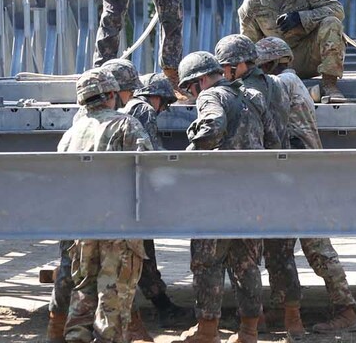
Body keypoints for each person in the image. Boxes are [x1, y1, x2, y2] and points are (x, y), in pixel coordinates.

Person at [255, 36, 356, 333]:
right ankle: (281, 307)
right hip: (298, 173)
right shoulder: (292, 81)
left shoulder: (280, 84)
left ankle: (346, 310)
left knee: (315, 245)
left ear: (270, 62)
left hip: (299, 175)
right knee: (279, 244)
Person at [170, 51, 269, 343]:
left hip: (217, 193)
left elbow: (212, 128)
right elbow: (273, 138)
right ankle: (249, 332)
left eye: (189, 89)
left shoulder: (210, 96)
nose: (191, 95)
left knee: (206, 261)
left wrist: (190, 149)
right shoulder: (252, 96)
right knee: (247, 263)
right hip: (253, 193)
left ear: (200, 80)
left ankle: (207, 332)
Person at [214, 34, 300, 338]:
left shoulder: (240, 92)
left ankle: (255, 320)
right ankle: (293, 319)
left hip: (253, 179)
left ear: (238, 65)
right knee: (281, 252)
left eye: (226, 67)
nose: (224, 73)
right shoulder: (276, 84)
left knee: (246, 253)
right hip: (280, 174)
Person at [58, 68, 153, 343]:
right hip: (118, 227)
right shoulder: (125, 124)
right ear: (111, 95)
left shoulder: (71, 134)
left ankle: (76, 337)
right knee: (113, 294)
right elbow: (147, 167)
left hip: (82, 227)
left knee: (84, 289)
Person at [100, 63, 190, 330]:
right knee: (138, 254)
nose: (161, 110)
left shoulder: (121, 111)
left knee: (133, 254)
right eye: (163, 104)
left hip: (116, 193)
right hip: (132, 194)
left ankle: (156, 305)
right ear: (156, 97)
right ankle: (151, 313)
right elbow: (151, 153)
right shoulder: (143, 108)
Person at [238, 0, 346, 100]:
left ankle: (330, 85)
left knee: (332, 23)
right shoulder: (253, 4)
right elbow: (249, 46)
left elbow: (337, 9)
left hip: (310, 57)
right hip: (278, 66)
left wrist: (301, 18)